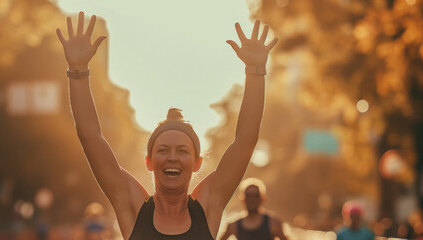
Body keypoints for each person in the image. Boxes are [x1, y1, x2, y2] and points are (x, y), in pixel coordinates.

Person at [56, 12, 277, 240]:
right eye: (163, 150)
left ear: (196, 163)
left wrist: (255, 71)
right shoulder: (134, 210)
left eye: (182, 151)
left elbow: (245, 142)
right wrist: (78, 71)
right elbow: (91, 137)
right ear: (149, 161)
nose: (172, 157)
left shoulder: (207, 207)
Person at [219, 178, 287, 240]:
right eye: (248, 195)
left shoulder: (273, 223)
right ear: (243, 199)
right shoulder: (233, 225)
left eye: (256, 195)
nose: (252, 199)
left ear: (262, 198)